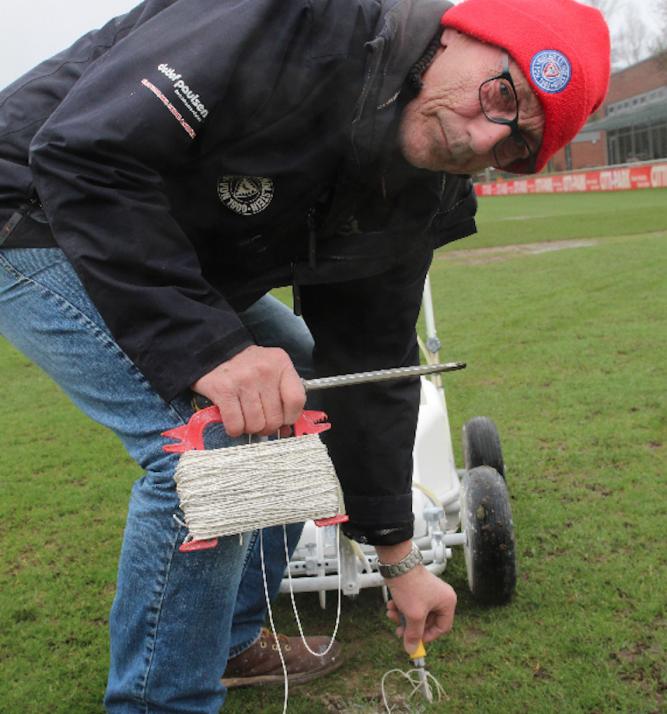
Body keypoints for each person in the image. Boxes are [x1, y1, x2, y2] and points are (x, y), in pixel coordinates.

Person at [0, 0, 610, 711]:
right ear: (459, 32)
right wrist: (212, 347)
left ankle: (226, 640)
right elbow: (85, 153)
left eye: (512, 148)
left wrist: (398, 557)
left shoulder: (421, 185)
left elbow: (372, 366)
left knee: (306, 389)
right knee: (220, 443)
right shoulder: (297, 15)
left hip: (159, 243)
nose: (478, 139)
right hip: (34, 203)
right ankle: (158, 702)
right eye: (501, 95)